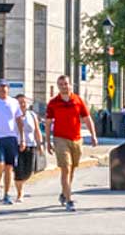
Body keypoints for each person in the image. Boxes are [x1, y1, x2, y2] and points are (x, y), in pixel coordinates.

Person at [45, 74, 97, 211]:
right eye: (61, 84)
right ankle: (69, 200)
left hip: (76, 139)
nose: (64, 86)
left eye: (66, 84)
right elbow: (48, 123)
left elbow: (87, 118)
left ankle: (64, 192)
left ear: (70, 85)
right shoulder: (53, 103)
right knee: (66, 168)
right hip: (60, 139)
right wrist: (48, 141)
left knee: (72, 169)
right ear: (58, 86)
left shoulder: (78, 100)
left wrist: (93, 135)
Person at [12, 93, 45, 202]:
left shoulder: (32, 115)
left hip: (31, 145)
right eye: (19, 102)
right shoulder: (12, 115)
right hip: (16, 145)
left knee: (29, 171)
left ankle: (20, 182)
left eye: (24, 102)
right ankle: (19, 193)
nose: (22, 104)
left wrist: (40, 144)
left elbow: (37, 130)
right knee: (19, 170)